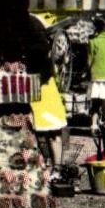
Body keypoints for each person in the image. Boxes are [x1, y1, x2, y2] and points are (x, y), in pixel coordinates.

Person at [27, 14, 68, 178]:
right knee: (52, 135)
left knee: (46, 134)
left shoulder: (41, 57)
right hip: (47, 93)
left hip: (42, 92)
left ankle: (53, 168)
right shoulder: (50, 56)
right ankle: (54, 168)